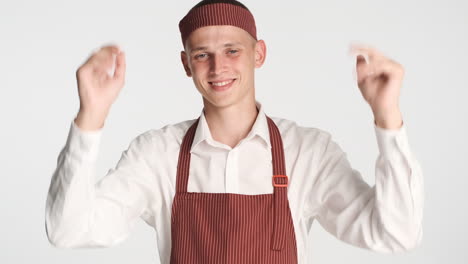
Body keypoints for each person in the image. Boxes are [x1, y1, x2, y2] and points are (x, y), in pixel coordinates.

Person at [45, 0, 424, 263]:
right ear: (185, 64)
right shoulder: (157, 154)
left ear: (258, 53)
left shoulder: (307, 152)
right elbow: (68, 231)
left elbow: (397, 234)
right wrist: (90, 116)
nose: (217, 68)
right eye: (201, 55)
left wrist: (387, 115)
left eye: (232, 50)